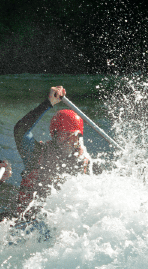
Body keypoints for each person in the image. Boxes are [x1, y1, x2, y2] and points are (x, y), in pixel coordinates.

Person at [12, 86, 91, 220]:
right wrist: (48, 103)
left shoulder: (85, 163)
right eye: (64, 134)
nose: (70, 140)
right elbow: (20, 131)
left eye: (74, 136)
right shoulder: (36, 153)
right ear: (54, 135)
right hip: (28, 222)